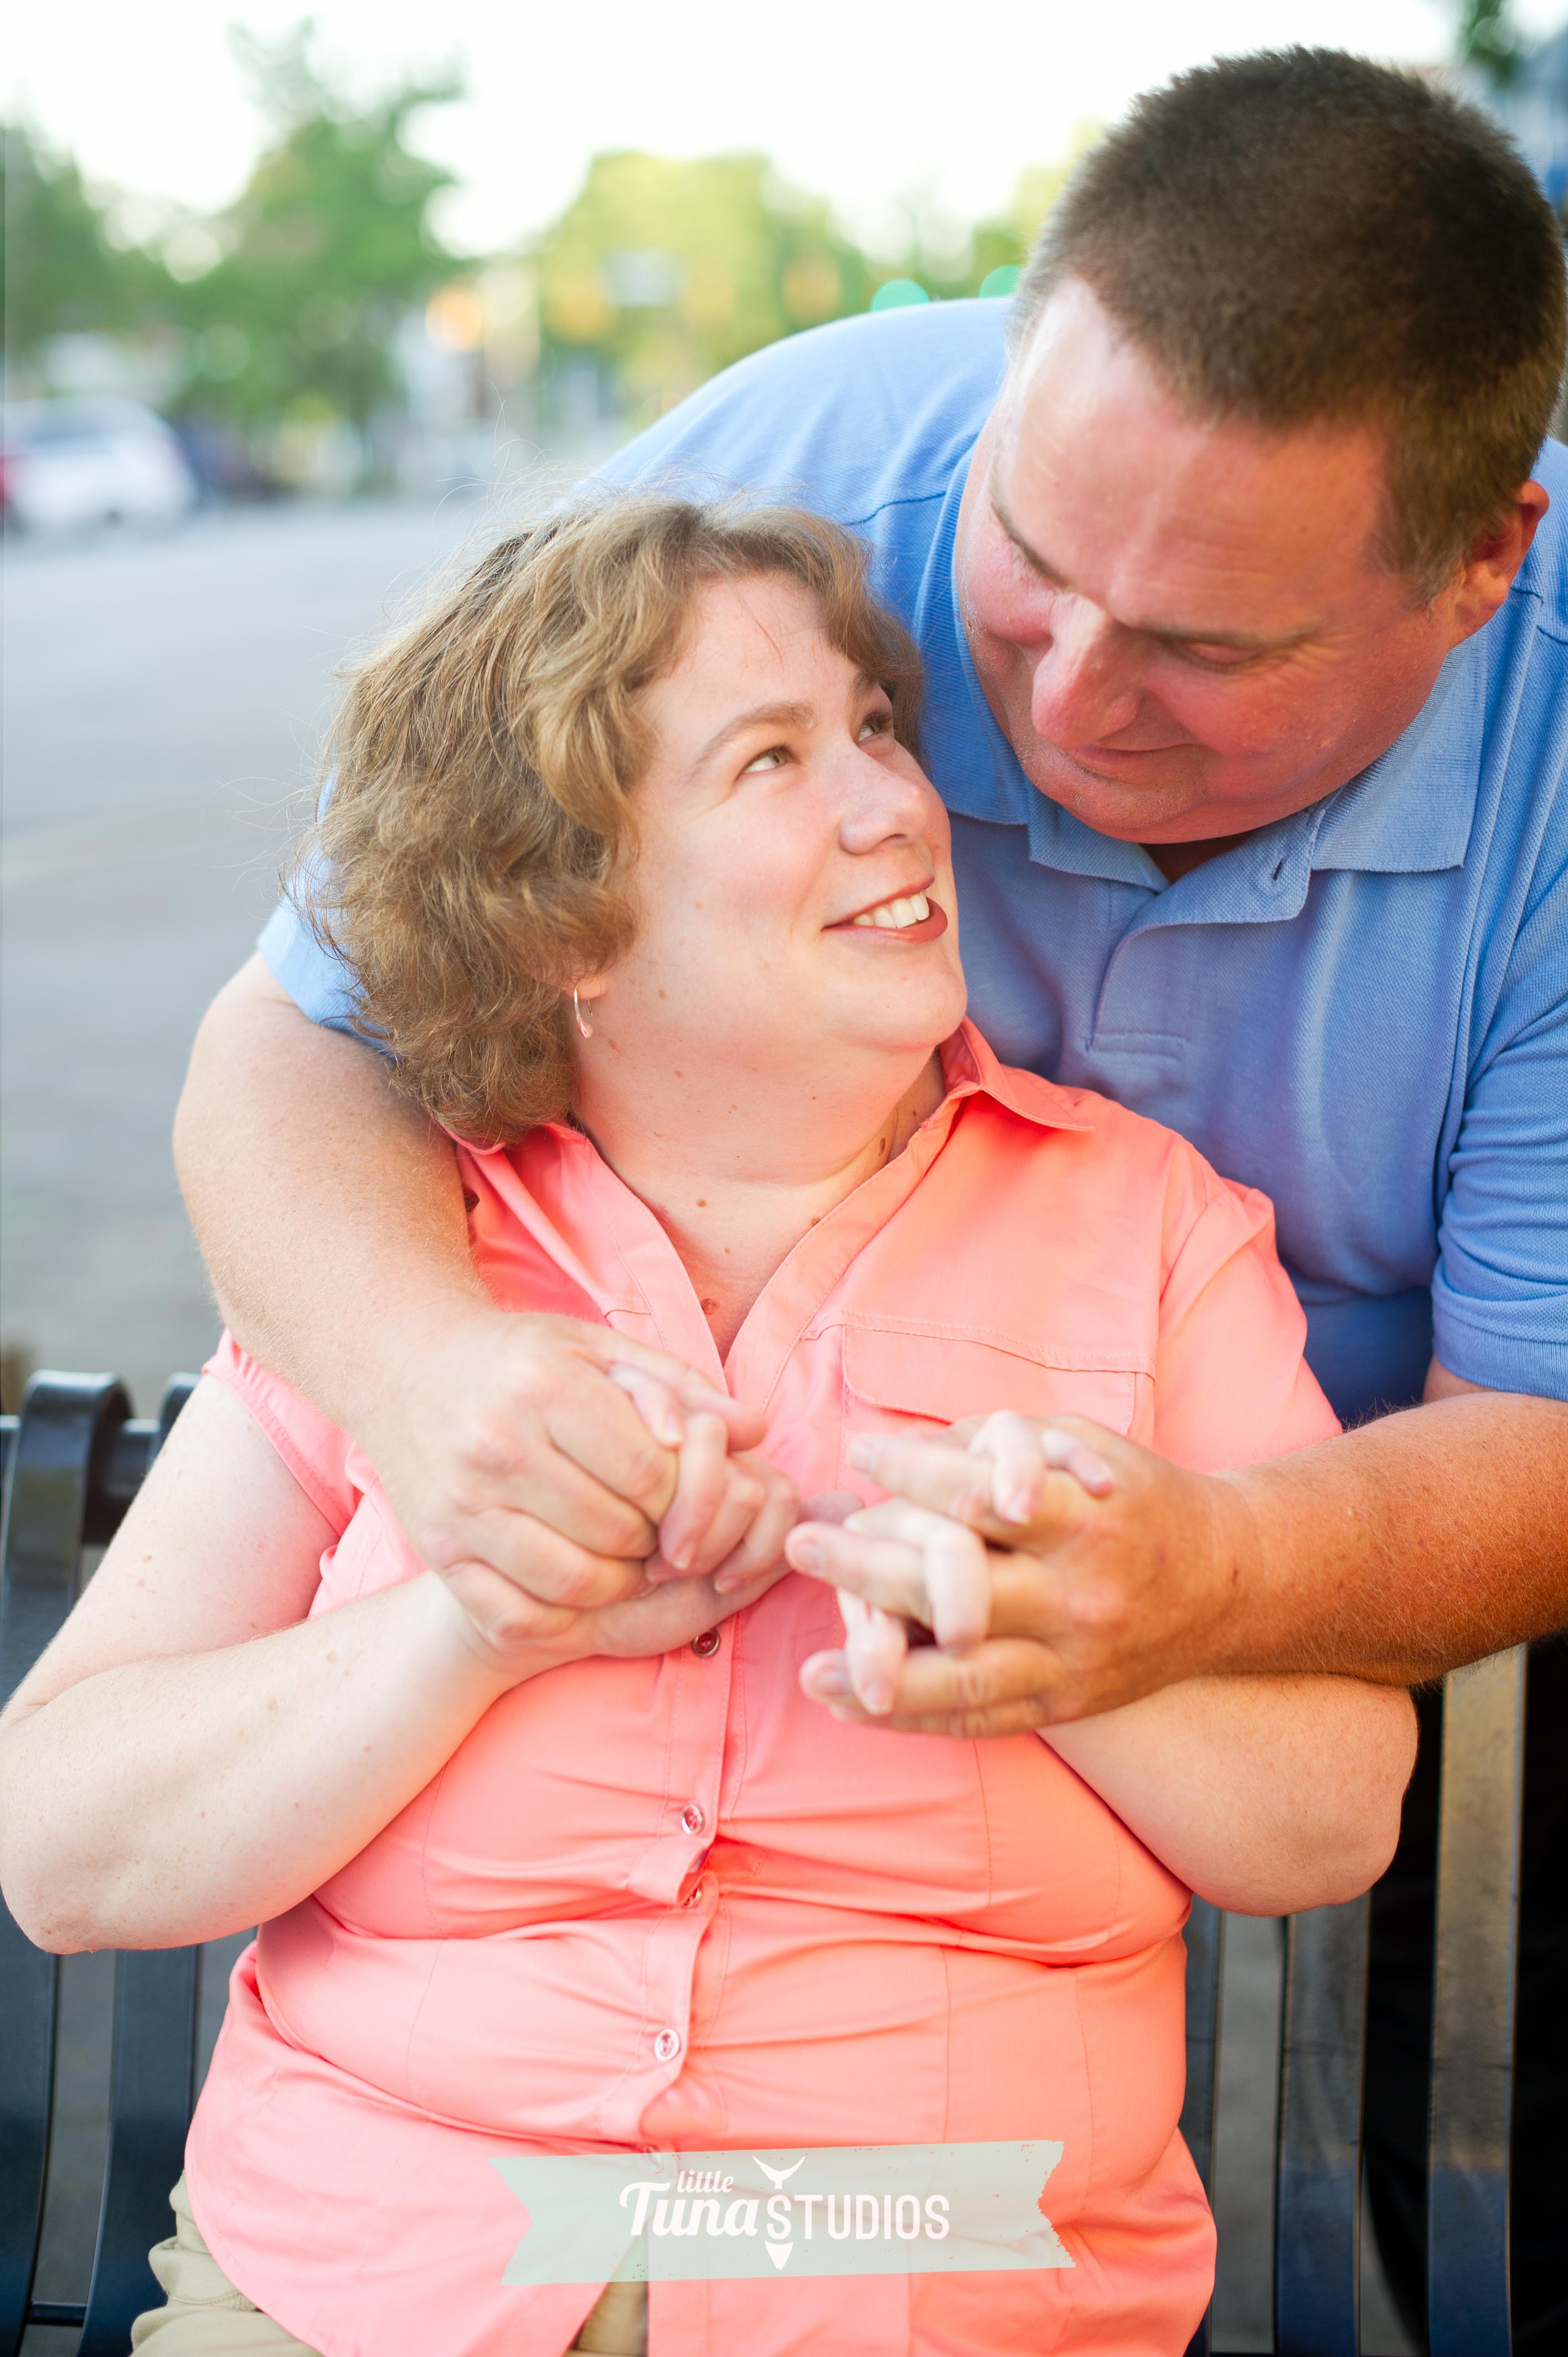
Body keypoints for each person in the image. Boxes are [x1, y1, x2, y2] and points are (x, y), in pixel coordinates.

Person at [170, 48, 1566, 2348]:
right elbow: (297, 1032)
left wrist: (1186, 1576)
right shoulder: (777, 500)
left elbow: (1467, 1560)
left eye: (1208, 648)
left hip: (1255, 1638)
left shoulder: (1161, 1235)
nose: (1063, 702)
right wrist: (436, 1404)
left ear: (1482, 556)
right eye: (1017, 582)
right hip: (373, 2256)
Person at [0, 497, 1415, 2357]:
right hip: (369, 2281)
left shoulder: (1149, 1238)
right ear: (561, 915)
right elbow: (65, 1846)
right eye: (771, 760)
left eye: (875, 731)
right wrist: (477, 1626)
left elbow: (1328, 1820)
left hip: (928, 2278)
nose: (892, 805)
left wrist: (1074, 1641)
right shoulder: (412, 1274)